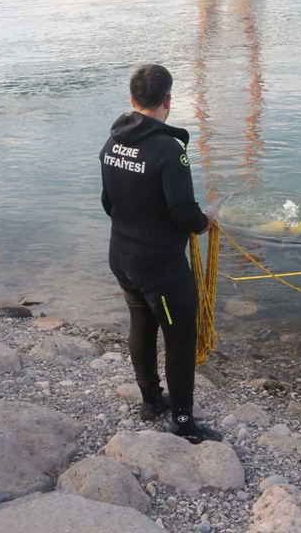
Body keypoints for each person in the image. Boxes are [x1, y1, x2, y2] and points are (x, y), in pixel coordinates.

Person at [100, 63, 222, 444]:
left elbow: (108, 203)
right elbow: (184, 215)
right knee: (180, 340)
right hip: (161, 269)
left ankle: (152, 401)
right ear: (168, 100)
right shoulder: (170, 150)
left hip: (122, 257)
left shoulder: (112, 142)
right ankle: (184, 423)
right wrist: (206, 222)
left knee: (141, 323)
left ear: (132, 99)